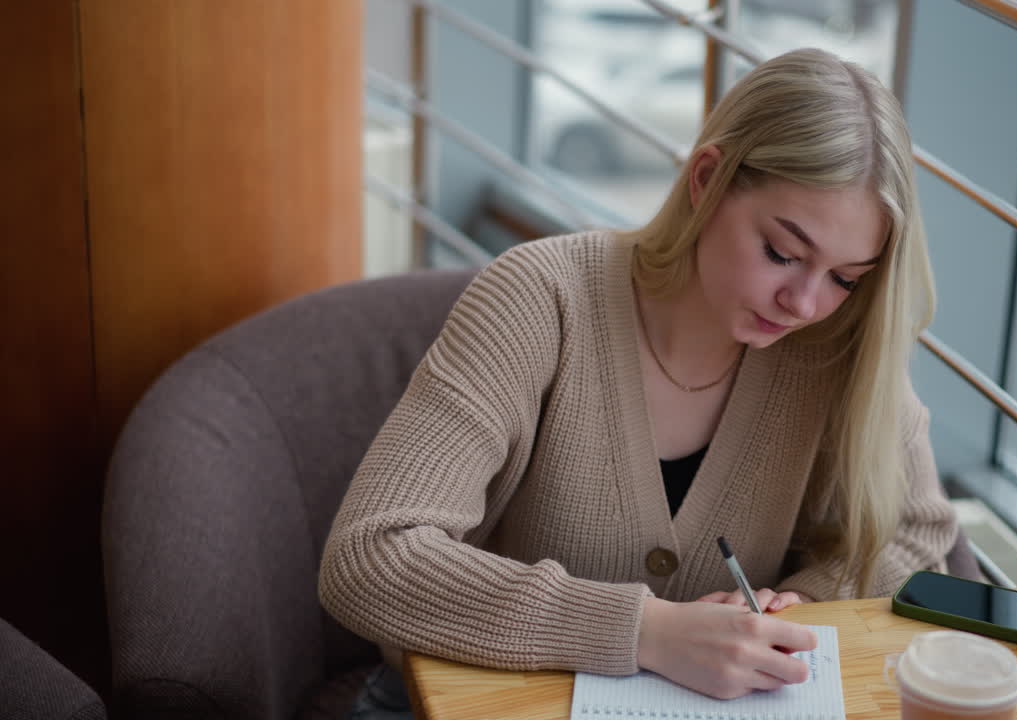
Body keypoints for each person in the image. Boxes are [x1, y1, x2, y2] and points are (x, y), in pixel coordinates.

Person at [319, 47, 958, 718]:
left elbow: (915, 536)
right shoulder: (540, 300)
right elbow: (370, 557)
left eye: (844, 277)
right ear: (706, 180)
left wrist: (795, 605)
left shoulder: (837, 340)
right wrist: (645, 631)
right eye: (782, 253)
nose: (804, 303)